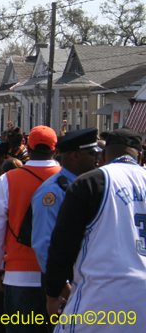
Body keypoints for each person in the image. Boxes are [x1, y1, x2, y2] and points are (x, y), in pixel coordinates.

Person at [44, 128, 146, 332]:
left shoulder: (91, 182)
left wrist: (53, 294)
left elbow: (62, 246)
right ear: (140, 155)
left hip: (102, 297)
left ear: (103, 154)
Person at [0, 126, 60, 333]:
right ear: (55, 148)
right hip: (60, 276)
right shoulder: (67, 179)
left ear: (28, 146)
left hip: (19, 273)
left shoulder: (8, 180)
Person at [30, 128, 99, 274]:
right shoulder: (53, 192)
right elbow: (44, 244)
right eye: (92, 153)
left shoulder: (91, 186)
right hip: (67, 282)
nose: (97, 159)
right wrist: (61, 286)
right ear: (75, 155)